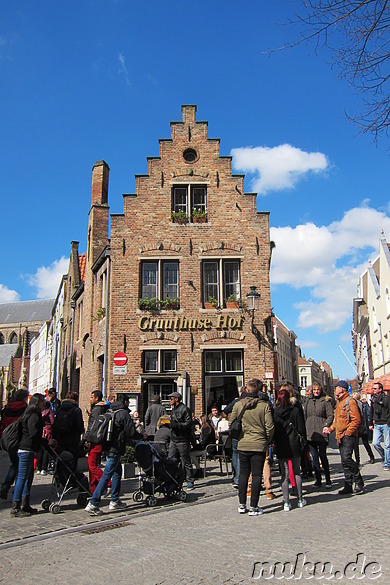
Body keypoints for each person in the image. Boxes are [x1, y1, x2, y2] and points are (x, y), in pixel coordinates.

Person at [85, 395, 145, 515]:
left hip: (107, 446)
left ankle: (115, 500)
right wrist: (141, 436)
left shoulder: (110, 410)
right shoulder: (123, 413)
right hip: (116, 448)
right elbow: (131, 432)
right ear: (126, 402)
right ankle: (93, 502)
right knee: (107, 474)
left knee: (117, 472)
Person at [230, 378, 274, 516]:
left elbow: (232, 423)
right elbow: (270, 426)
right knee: (256, 475)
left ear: (247, 391)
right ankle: (254, 506)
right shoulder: (264, 406)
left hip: (243, 443)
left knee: (243, 474)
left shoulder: (238, 405)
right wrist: (267, 439)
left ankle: (242, 504)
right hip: (259, 444)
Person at [323, 380, 365, 494]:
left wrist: (348, 432)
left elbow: (356, 419)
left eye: (336, 387)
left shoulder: (350, 401)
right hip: (340, 435)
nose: (334, 389)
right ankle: (348, 484)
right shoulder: (339, 403)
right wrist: (330, 429)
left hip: (348, 435)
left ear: (341, 389)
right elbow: (337, 421)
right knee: (344, 461)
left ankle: (359, 480)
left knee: (347, 458)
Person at [10, 393, 45, 517]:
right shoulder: (33, 415)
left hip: (28, 449)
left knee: (28, 478)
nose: (44, 403)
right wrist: (44, 442)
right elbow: (33, 433)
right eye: (42, 401)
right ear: (37, 402)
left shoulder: (29, 413)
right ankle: (16, 506)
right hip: (26, 449)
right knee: (22, 477)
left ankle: (25, 503)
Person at [273, 387, 307, 511]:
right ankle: (299, 499)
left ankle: (286, 502)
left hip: (282, 445)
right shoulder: (295, 410)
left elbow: (274, 430)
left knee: (284, 475)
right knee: (296, 472)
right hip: (294, 444)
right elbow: (301, 428)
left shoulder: (275, 412)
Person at [304, 382, 334, 488]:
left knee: (323, 456)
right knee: (314, 457)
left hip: (322, 431)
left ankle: (328, 479)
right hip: (311, 432)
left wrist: (326, 425)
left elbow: (330, 415)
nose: (316, 391)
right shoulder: (308, 401)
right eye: (314, 389)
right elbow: (305, 415)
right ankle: (318, 480)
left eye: (318, 389)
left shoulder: (325, 401)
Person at [0, 389, 29, 500]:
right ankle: (15, 489)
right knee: (21, 466)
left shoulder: (7, 409)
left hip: (9, 439)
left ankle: (8, 486)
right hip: (21, 440)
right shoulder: (25, 409)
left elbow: (2, 425)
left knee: (15, 464)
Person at [167, 391, 195, 490]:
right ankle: (172, 479)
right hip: (174, 439)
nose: (169, 400)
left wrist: (177, 425)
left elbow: (188, 424)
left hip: (182, 439)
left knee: (186, 460)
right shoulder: (173, 410)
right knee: (170, 459)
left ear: (176, 399)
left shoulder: (185, 410)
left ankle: (190, 480)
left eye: (171, 398)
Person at [84, 390, 109, 494]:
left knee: (92, 465)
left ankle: (107, 482)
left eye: (92, 397)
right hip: (99, 439)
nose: (91, 399)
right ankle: (94, 488)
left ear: (96, 398)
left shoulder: (96, 410)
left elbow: (92, 426)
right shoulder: (103, 409)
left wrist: (85, 438)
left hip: (94, 439)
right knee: (94, 465)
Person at [52, 391, 85, 466]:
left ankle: (61, 476)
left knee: (61, 460)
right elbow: (79, 426)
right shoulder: (76, 410)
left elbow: (55, 424)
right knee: (72, 462)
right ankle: (70, 477)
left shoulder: (59, 409)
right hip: (73, 440)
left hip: (61, 439)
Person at [224, 386, 245, 488]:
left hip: (236, 432)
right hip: (247, 432)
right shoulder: (255, 402)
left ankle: (237, 478)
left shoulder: (237, 402)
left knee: (236, 453)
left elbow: (226, 410)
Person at [369, 381, 390, 470]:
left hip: (385, 423)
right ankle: (385, 456)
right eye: (373, 388)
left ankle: (387, 463)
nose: (373, 390)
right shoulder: (373, 399)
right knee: (375, 443)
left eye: (375, 388)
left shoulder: (386, 398)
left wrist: (388, 421)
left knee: (387, 445)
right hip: (377, 424)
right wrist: (370, 423)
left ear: (380, 389)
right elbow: (372, 411)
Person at [352, 392, 375, 466]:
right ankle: (371, 457)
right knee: (365, 443)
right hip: (362, 426)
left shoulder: (355, 404)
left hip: (358, 426)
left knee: (356, 444)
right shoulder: (363, 404)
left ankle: (358, 460)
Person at [35, 401, 55, 475]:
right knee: (46, 449)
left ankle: (38, 468)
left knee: (40, 450)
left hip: (41, 431)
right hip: (48, 431)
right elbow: (52, 421)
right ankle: (44, 468)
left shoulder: (40, 412)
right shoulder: (49, 412)